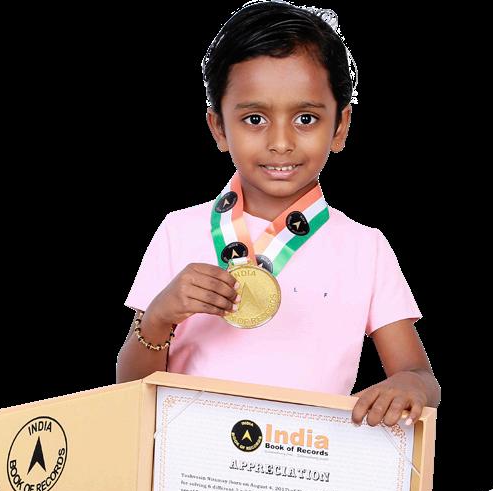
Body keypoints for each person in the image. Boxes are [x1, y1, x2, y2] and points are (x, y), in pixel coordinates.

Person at [116, 0, 440, 427]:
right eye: (255, 119)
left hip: (307, 462)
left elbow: (420, 374)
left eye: (306, 118)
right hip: (190, 459)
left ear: (341, 126)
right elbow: (129, 387)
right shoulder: (179, 231)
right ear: (218, 128)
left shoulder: (367, 249)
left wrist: (410, 385)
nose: (281, 142)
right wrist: (158, 317)